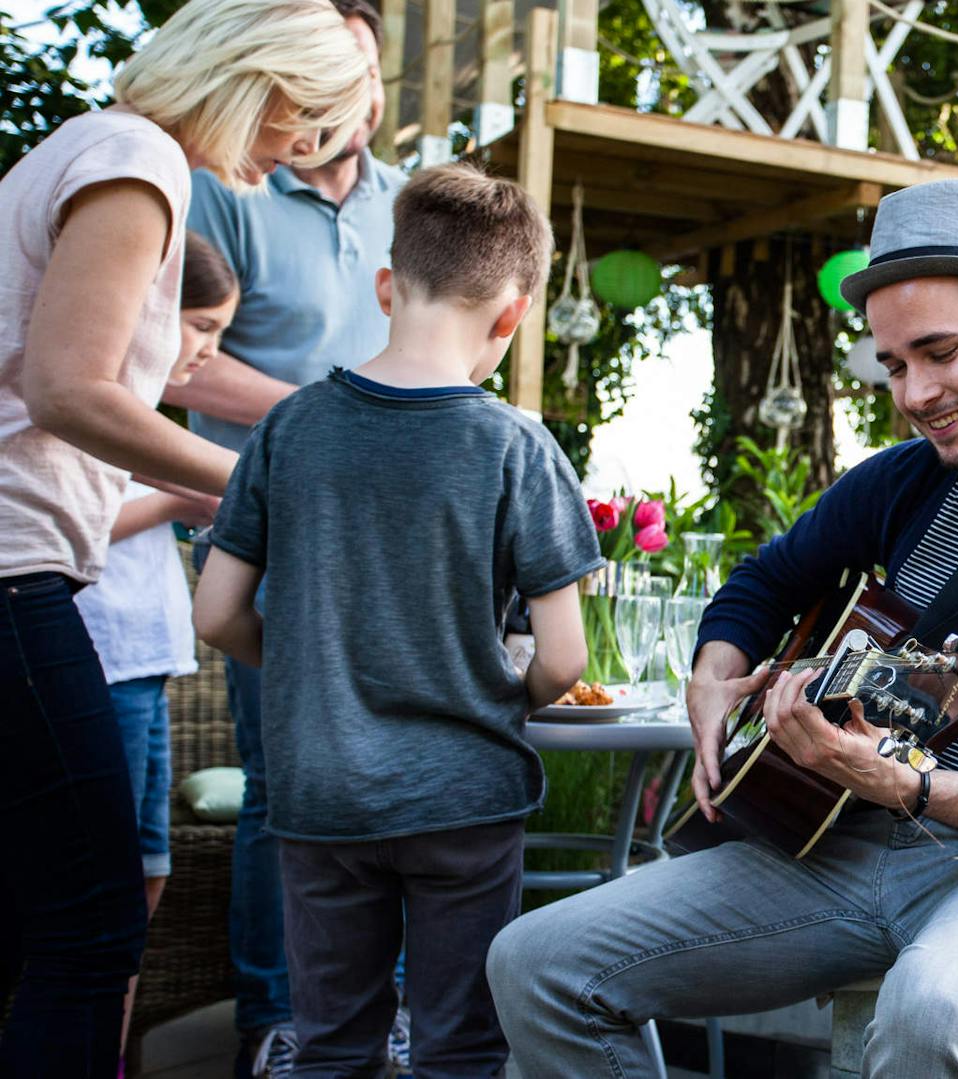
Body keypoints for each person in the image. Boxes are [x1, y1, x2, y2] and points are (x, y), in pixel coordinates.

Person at [486, 178, 958, 1077]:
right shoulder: (907, 479)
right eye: (895, 364)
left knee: (932, 1015)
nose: (917, 392)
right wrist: (712, 676)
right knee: (536, 962)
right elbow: (764, 581)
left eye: (940, 351)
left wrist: (908, 782)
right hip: (854, 838)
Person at [0, 0, 370, 1070]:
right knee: (95, 922)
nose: (300, 150)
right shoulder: (137, 162)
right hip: (14, 568)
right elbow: (71, 389)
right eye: (305, 122)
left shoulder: (95, 147)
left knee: (30, 912)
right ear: (262, 85)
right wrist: (270, 481)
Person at [193, 162, 601, 1076]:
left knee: (332, 1043)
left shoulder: (289, 428)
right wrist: (503, 691)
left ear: (386, 286)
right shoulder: (516, 445)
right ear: (512, 315)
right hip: (465, 798)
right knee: (460, 1046)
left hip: (322, 793)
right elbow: (564, 657)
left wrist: (303, 669)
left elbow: (216, 614)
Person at [156, 1, 405, 1068]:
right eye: (327, 73)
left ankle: (385, 1011)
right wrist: (334, 408)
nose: (346, 99)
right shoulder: (228, 185)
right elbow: (182, 359)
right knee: (286, 780)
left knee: (390, 771)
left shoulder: (406, 203)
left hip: (386, 539)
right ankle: (275, 1021)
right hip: (263, 529)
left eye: (363, 73)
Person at [74, 232, 237, 1066]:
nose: (207, 351)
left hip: (148, 661)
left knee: (149, 869)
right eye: (202, 326)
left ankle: (115, 1050)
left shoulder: (145, 414)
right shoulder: (89, 401)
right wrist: (183, 495)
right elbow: (82, 522)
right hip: (103, 659)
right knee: (104, 882)